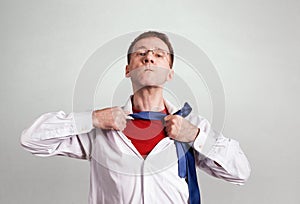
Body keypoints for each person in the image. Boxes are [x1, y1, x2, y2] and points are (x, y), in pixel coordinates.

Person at [21, 31, 251, 204]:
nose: (149, 57)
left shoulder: (192, 127)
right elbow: (31, 139)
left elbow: (240, 172)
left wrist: (195, 135)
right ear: (128, 70)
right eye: (140, 53)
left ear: (170, 74)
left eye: (159, 55)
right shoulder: (100, 130)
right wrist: (91, 119)